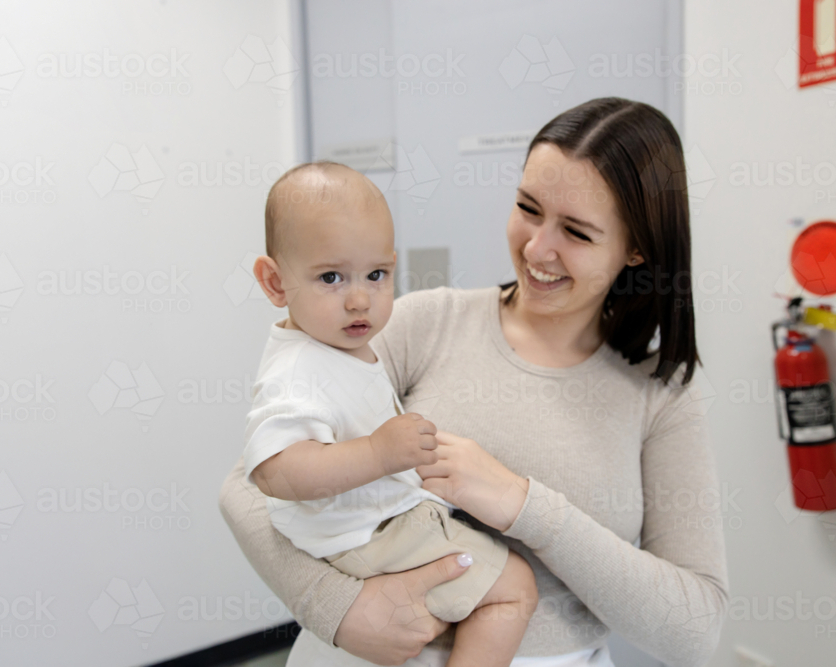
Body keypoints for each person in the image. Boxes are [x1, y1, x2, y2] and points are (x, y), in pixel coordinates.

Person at [220, 97, 729, 667]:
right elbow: (249, 484)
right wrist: (336, 606)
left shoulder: (661, 394)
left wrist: (524, 506)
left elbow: (696, 631)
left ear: (636, 248)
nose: (538, 248)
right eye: (528, 208)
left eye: (577, 233)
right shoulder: (424, 323)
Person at [243, 161, 538, 667]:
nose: (360, 299)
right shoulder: (297, 369)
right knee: (514, 589)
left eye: (376, 275)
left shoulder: (335, 344)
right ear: (274, 282)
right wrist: (379, 453)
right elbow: (275, 471)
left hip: (368, 525)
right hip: (363, 536)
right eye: (331, 277)